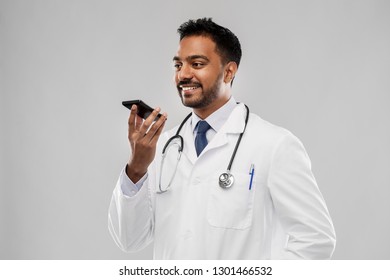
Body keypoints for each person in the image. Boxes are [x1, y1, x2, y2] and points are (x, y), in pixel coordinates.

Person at [108, 18, 336, 259]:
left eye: (196, 64)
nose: (183, 75)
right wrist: (136, 169)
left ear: (229, 71)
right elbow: (129, 239)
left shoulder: (275, 146)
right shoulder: (162, 146)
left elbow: (316, 238)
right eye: (178, 65)